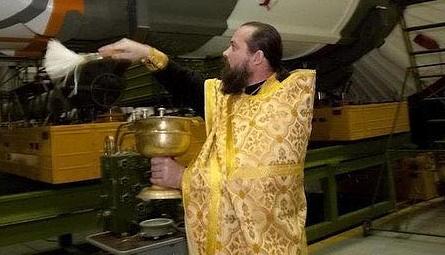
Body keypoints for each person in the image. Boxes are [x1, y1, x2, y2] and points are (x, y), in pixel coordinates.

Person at [99, 22, 316, 255]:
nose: (225, 52)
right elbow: (187, 85)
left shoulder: (285, 103)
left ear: (257, 57)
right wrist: (146, 53)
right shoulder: (230, 98)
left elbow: (253, 182)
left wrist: (183, 178)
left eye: (234, 47)